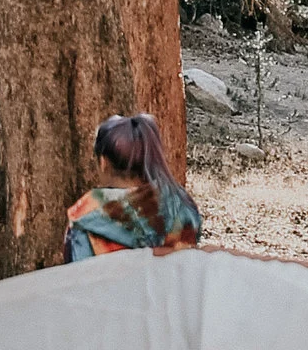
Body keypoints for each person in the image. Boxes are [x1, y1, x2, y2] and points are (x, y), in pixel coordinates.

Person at [63, 113, 204, 264]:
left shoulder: (86, 215)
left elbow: (78, 276)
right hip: (170, 287)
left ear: (104, 163)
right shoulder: (182, 206)